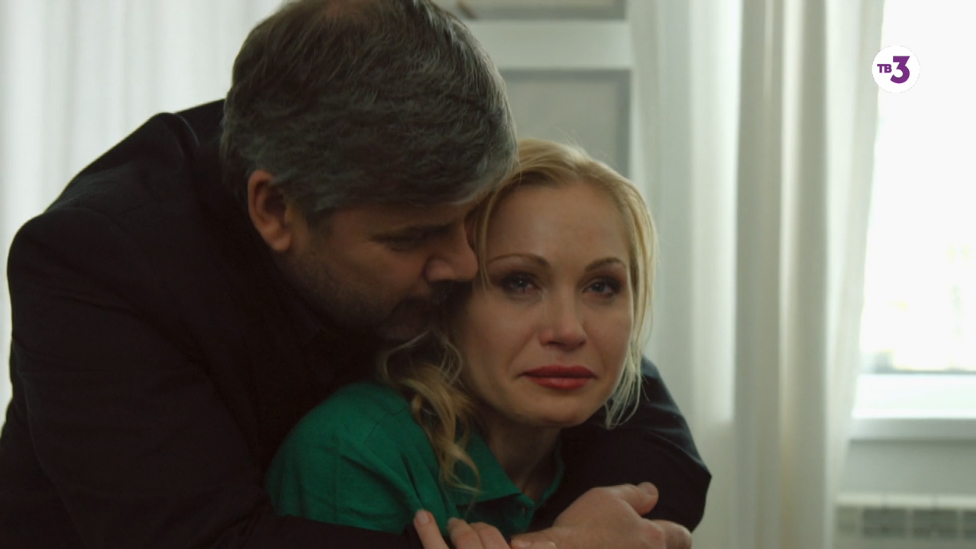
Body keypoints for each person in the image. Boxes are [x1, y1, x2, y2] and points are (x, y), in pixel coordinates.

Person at [0, 0, 709, 548]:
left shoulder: (410, 189)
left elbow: (645, 423)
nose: (465, 265)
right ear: (276, 210)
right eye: (416, 237)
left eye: (468, 225)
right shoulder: (95, 267)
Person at [266, 138, 659, 542]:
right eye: (519, 282)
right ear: (448, 298)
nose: (569, 330)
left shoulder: (623, 460)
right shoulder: (352, 453)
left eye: (601, 286)